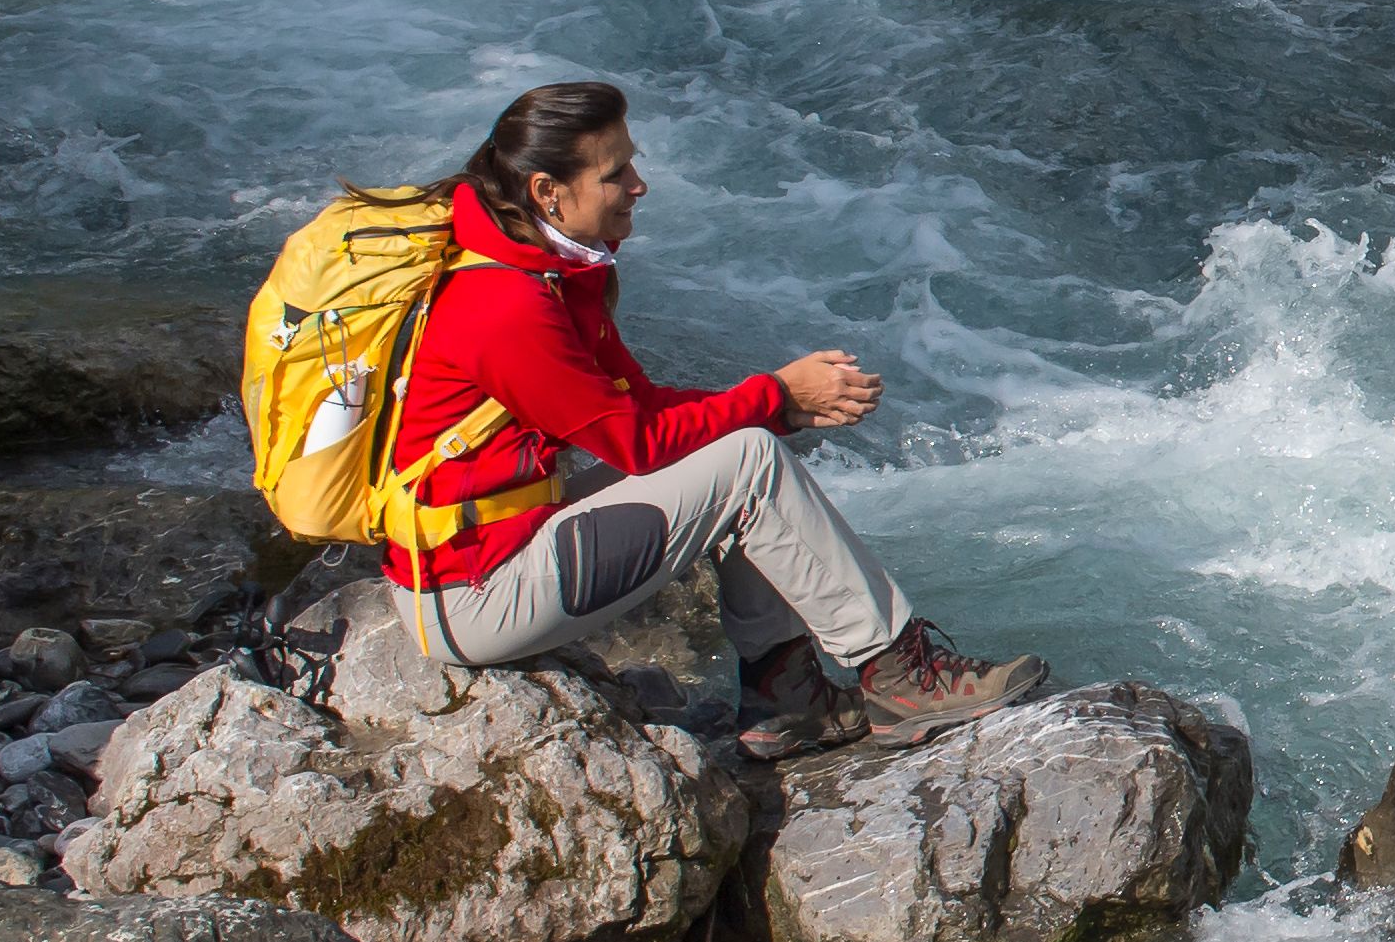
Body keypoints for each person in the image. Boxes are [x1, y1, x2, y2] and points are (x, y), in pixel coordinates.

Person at [383, 79, 1046, 758]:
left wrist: (773, 406)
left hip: (496, 553)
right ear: (549, 192)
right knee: (746, 462)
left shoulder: (546, 274)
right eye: (617, 173)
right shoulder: (505, 305)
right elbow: (636, 444)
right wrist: (776, 396)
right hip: (473, 598)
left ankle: (786, 700)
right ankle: (903, 679)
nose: (639, 184)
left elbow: (637, 408)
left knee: (736, 444)